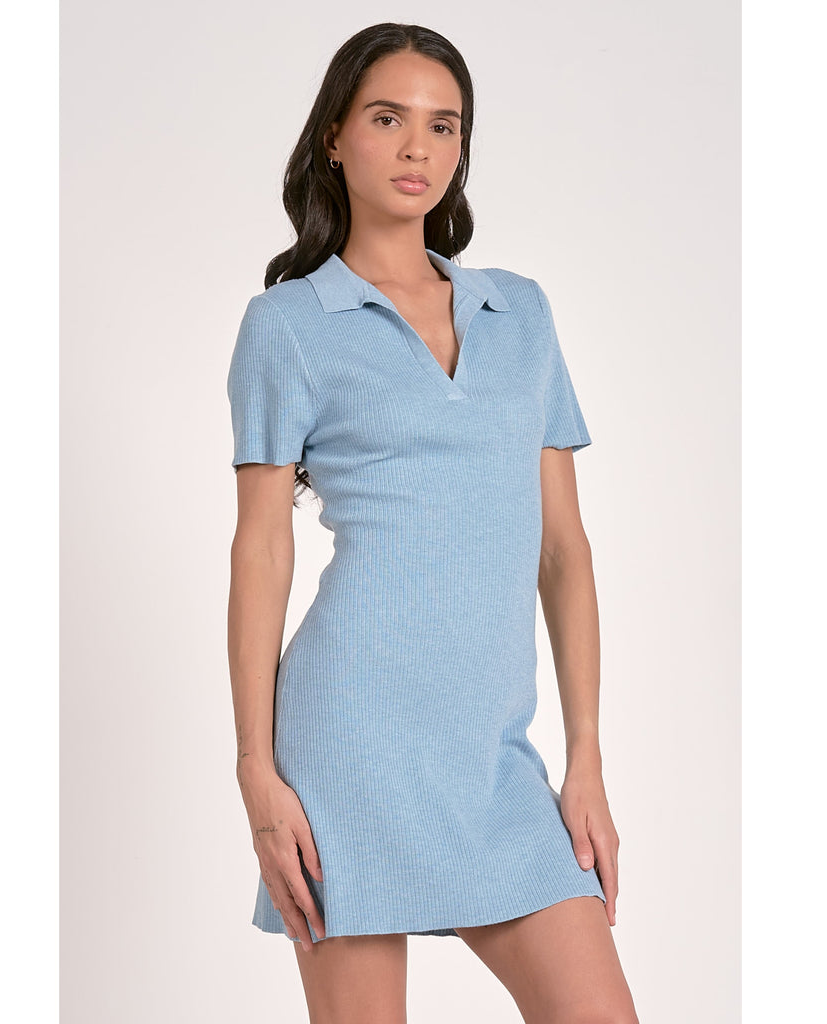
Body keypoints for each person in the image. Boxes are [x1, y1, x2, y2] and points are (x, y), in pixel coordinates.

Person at [226, 22, 640, 1024]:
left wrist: (584, 758)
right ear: (334, 137)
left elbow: (563, 550)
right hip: (347, 747)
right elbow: (262, 549)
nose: (418, 147)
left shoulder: (519, 314)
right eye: (387, 118)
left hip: (492, 757)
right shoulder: (288, 325)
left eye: (443, 125)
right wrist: (257, 775)